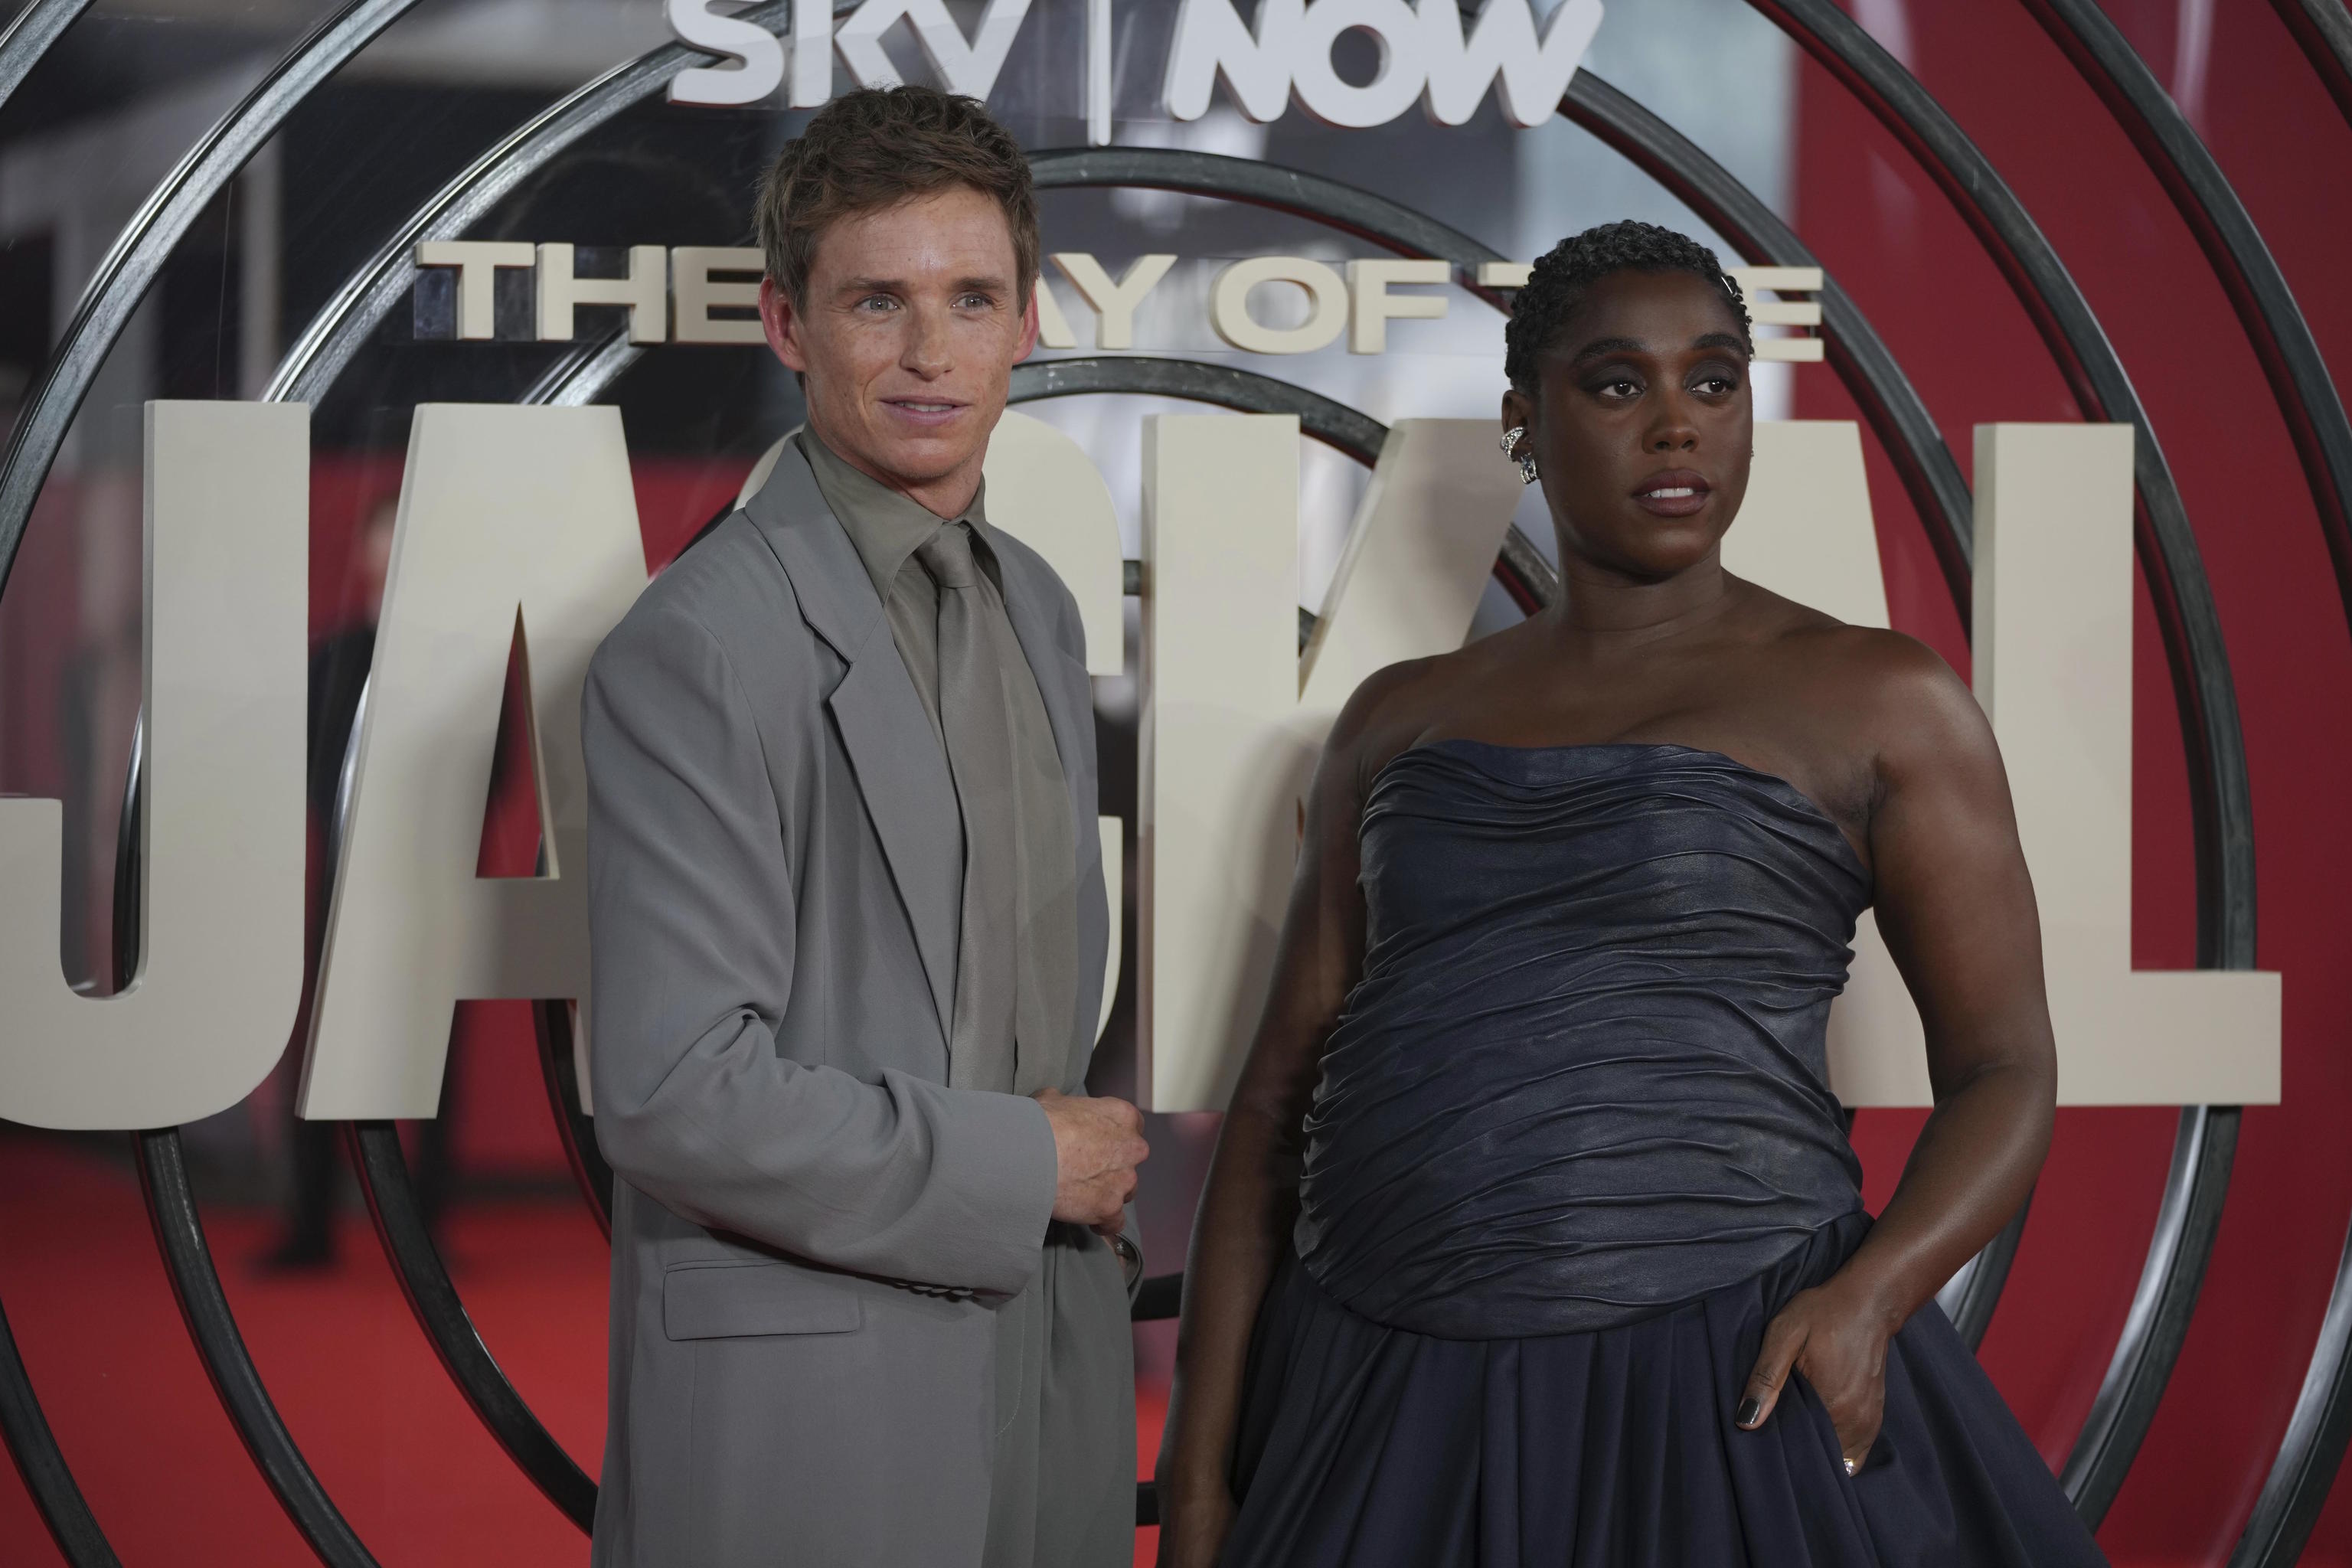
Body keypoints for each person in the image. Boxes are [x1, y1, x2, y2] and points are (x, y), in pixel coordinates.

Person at [1153, 221, 2106, 1567]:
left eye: (1714, 384)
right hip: (1378, 1380)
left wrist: (1872, 1297)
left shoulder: (1880, 698)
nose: (1677, 428)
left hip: (1723, 1367)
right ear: (1523, 424)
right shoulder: (1398, 717)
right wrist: (1201, 1483)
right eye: (1617, 384)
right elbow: (1268, 1115)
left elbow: (2007, 1067)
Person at [581, 86, 1147, 1568]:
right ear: (788, 325)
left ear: (1029, 321)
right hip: (809, 1396)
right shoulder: (696, 641)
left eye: (970, 298)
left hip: (1047, 1361)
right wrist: (1028, 1167)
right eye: (875, 301)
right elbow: (672, 1089)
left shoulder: (1038, 596)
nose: (928, 351)